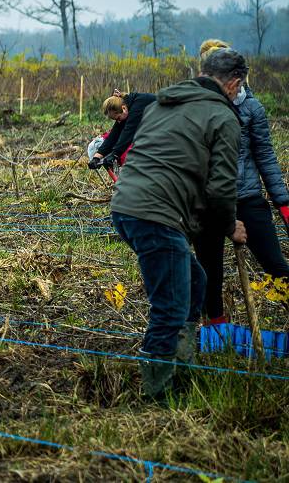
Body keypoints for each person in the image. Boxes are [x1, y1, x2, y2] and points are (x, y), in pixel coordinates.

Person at [110, 48, 248, 401]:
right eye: (239, 86)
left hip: (125, 205)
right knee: (169, 306)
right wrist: (229, 224)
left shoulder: (162, 103)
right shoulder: (223, 118)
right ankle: (158, 394)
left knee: (194, 282)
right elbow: (220, 189)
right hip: (156, 215)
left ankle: (184, 368)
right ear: (234, 84)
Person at [192, 46, 289, 327]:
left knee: (275, 265)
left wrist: (282, 201)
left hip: (247, 198)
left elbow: (266, 156)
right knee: (209, 271)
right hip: (209, 202)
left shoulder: (252, 108)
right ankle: (217, 331)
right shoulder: (198, 108)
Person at [90, 92, 156, 178]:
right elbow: (114, 134)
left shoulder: (138, 106)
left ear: (124, 108)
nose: (118, 121)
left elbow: (128, 133)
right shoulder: (126, 108)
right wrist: (97, 157)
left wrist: (114, 154)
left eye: (118, 118)